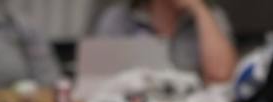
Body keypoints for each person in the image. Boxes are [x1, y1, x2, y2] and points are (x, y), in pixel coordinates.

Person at [90, 0, 238, 84]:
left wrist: (198, 8)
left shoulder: (211, 16)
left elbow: (222, 77)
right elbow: (94, 85)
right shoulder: (118, 18)